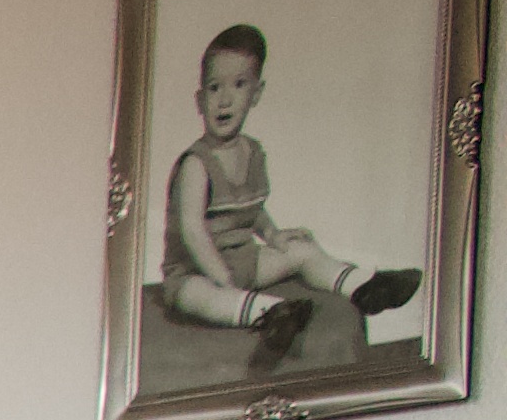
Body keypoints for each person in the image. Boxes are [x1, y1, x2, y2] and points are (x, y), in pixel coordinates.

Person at [161, 22, 421, 372]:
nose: (224, 99)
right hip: (196, 271)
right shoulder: (196, 163)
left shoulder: (253, 152)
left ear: (256, 94)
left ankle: (364, 287)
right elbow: (192, 230)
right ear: (199, 100)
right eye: (214, 87)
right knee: (196, 296)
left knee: (301, 249)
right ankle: (272, 314)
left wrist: (273, 236)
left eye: (239, 85)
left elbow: (252, 209)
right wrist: (221, 278)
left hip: (243, 261)